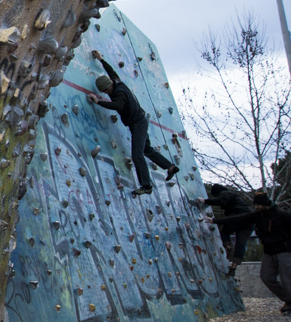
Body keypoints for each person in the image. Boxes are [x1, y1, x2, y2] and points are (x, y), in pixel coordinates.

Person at [86, 50, 179, 197]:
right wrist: (101, 59)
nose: (106, 93)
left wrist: (99, 102)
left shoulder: (119, 94)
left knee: (137, 155)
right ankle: (170, 167)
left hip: (137, 124)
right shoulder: (117, 82)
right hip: (141, 120)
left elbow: (117, 105)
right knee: (146, 149)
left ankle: (146, 186)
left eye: (105, 91)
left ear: (108, 87)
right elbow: (112, 71)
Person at [215, 193, 291, 314]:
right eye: (255, 205)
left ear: (265, 204)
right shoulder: (257, 215)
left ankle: (289, 304)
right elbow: (237, 218)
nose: (256, 207)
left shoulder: (282, 215)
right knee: (266, 277)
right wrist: (214, 221)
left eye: (259, 205)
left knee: (287, 280)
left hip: (284, 251)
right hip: (269, 252)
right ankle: (288, 299)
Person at [197, 184, 254, 276]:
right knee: (240, 244)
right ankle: (234, 266)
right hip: (249, 222)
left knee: (224, 232)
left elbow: (221, 201)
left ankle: (228, 246)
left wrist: (205, 201)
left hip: (237, 216)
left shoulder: (225, 193)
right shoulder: (234, 197)